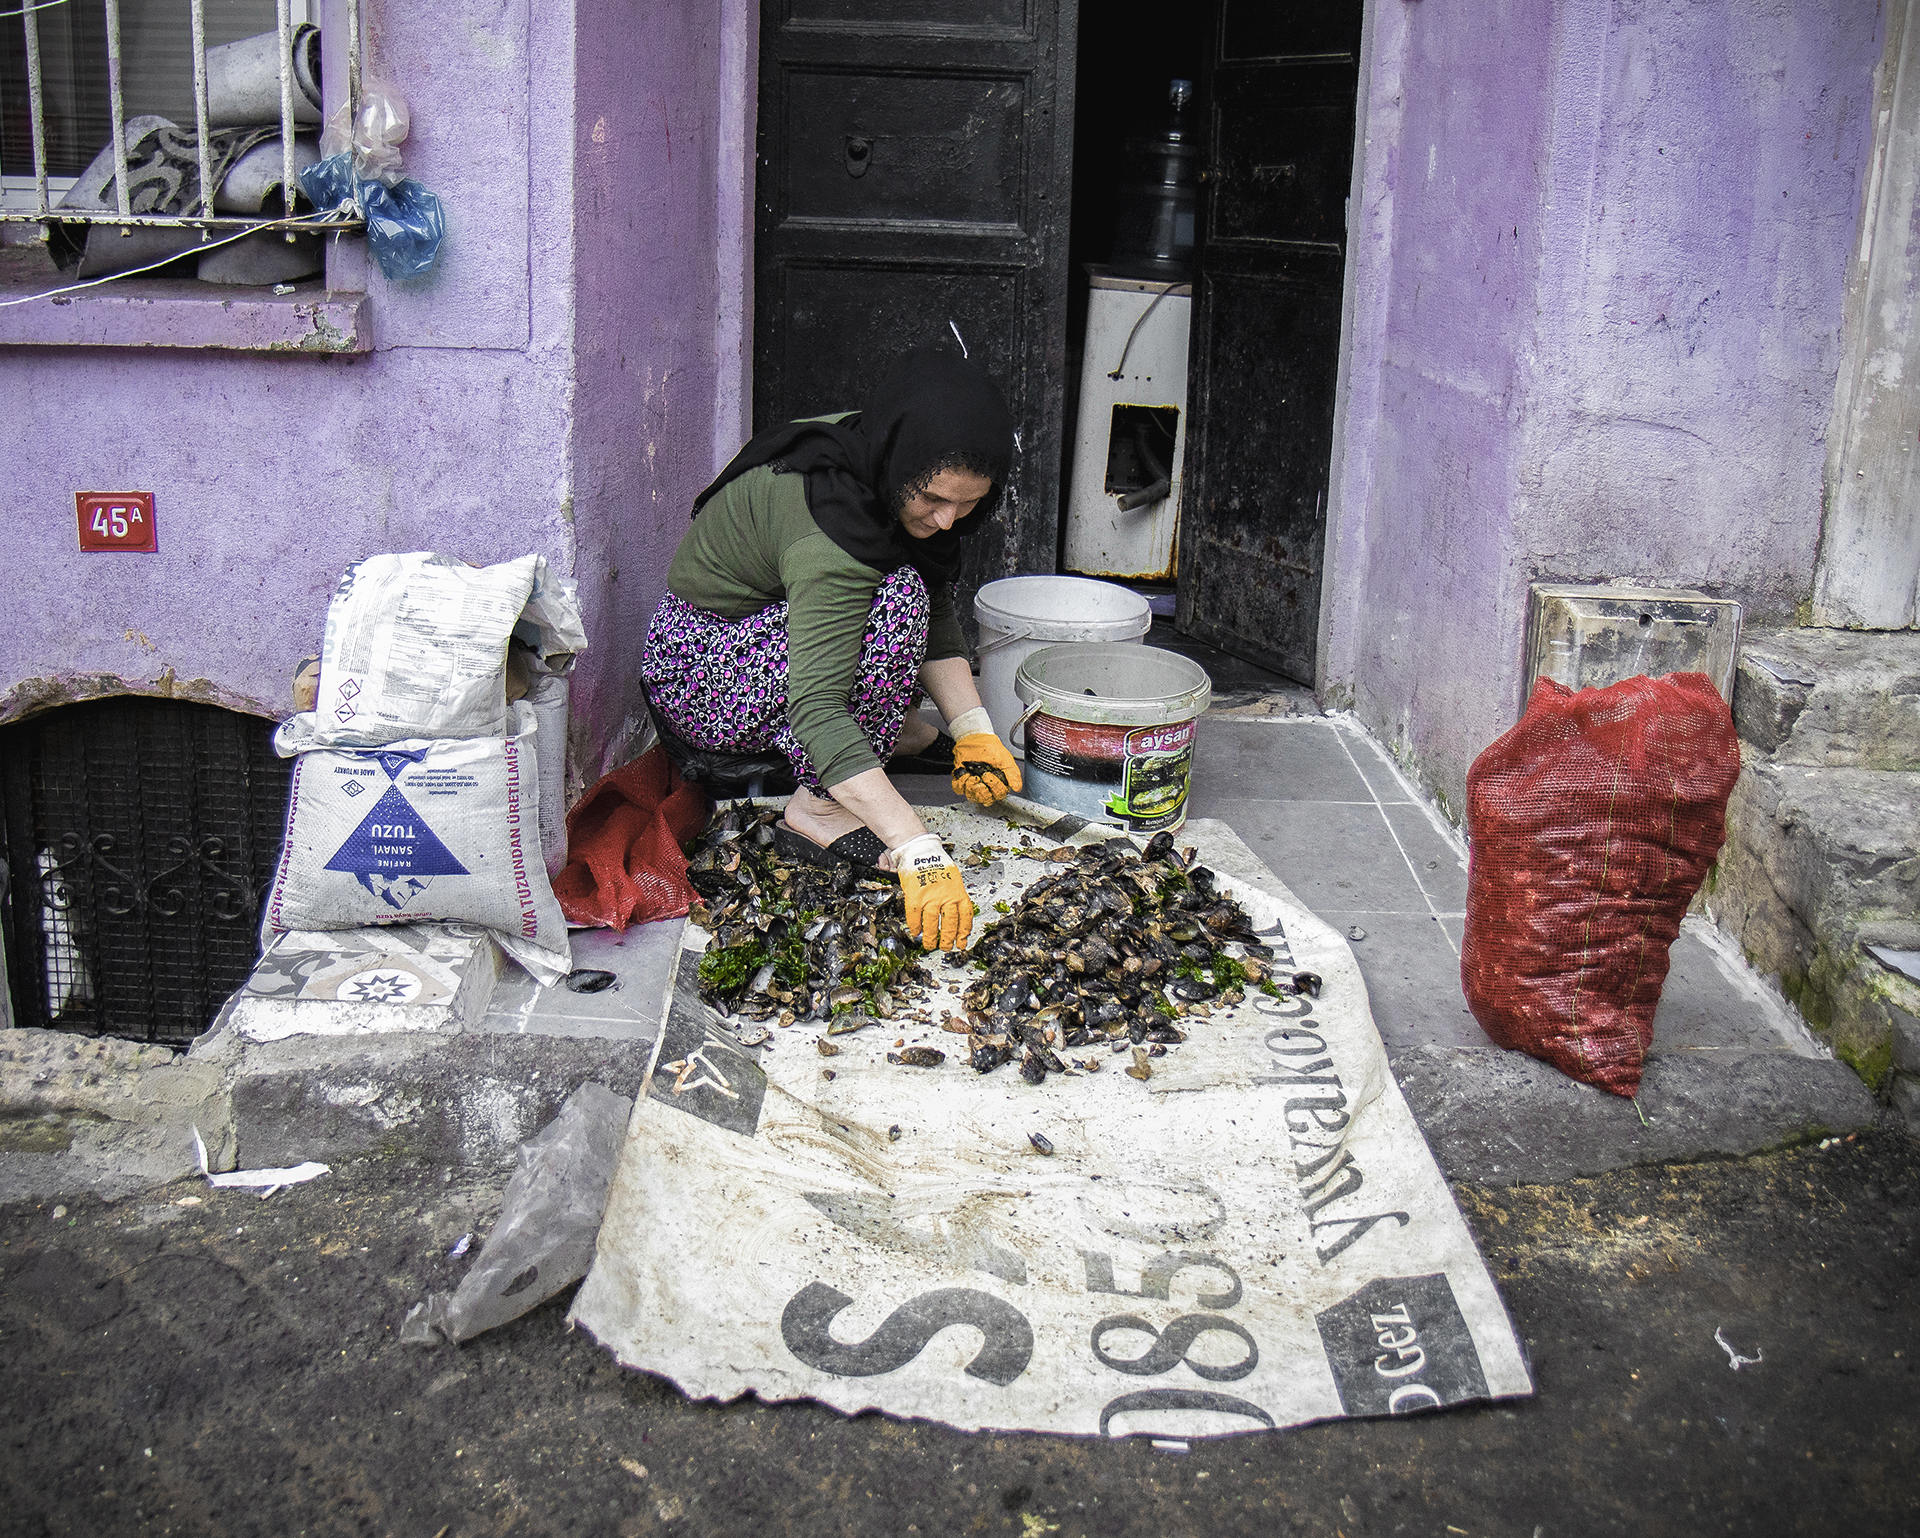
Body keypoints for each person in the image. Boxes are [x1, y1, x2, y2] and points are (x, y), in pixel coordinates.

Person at [642, 345, 1024, 952]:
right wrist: (915, 845)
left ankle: (889, 738)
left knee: (904, 589)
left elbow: (934, 600)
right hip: (699, 677)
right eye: (935, 500)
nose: (950, 521)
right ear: (903, 467)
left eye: (969, 503)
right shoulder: (833, 526)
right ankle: (817, 810)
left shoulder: (877, 451)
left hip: (766, 631)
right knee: (891, 602)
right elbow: (817, 704)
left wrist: (975, 728)